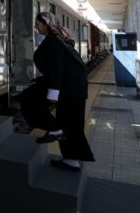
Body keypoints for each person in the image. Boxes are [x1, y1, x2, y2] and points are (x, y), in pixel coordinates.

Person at [32, 11, 94, 171]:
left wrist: (53, 91)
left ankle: (55, 130)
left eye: (37, 24)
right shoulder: (60, 39)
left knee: (30, 101)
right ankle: (71, 159)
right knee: (71, 123)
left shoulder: (53, 41)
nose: (36, 27)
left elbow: (57, 67)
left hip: (69, 89)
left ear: (46, 24)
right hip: (75, 88)